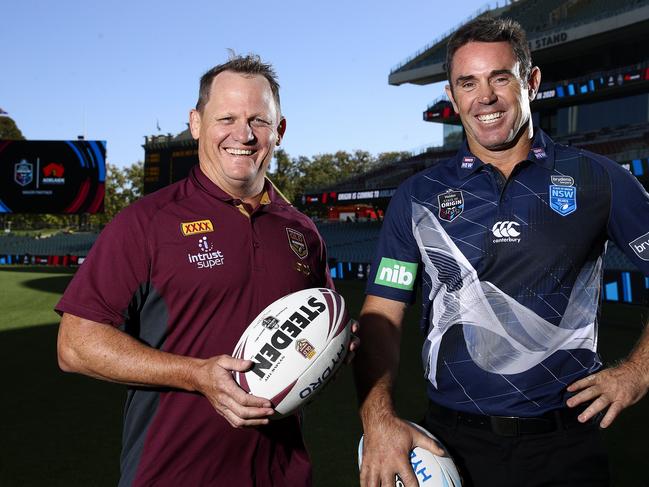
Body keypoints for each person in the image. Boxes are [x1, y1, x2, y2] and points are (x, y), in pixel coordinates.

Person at [354, 17, 649, 487]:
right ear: (452, 97)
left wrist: (636, 373)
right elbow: (382, 314)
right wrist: (378, 416)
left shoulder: (598, 179)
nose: (484, 98)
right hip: (451, 444)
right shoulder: (417, 196)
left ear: (531, 81)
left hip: (565, 446)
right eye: (467, 83)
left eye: (499, 78)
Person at [57, 54, 354, 486]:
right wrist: (195, 374)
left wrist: (337, 343)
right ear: (196, 123)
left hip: (283, 476)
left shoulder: (302, 231)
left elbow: (317, 328)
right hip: (170, 475)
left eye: (259, 120)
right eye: (226, 118)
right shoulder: (145, 222)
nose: (244, 135)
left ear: (280, 130)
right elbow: (75, 345)